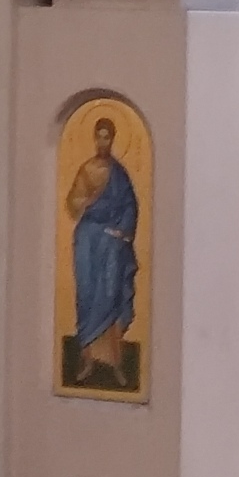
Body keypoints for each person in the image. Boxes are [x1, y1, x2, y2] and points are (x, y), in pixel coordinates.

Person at [64, 114, 142, 390]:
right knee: (88, 296)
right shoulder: (87, 169)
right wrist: (86, 200)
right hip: (88, 241)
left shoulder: (120, 174)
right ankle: (87, 361)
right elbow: (72, 204)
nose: (102, 142)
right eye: (99, 137)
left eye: (107, 137)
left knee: (111, 294)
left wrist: (122, 231)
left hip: (112, 243)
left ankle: (115, 362)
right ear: (94, 139)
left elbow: (131, 206)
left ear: (113, 140)